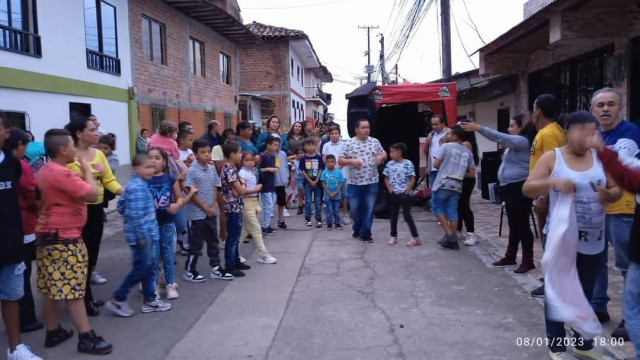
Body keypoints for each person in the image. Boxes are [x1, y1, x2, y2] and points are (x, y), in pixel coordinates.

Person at [522, 110, 621, 359]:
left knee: (585, 294)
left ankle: (582, 344)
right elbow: (528, 188)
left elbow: (616, 188)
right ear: (566, 132)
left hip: (594, 239)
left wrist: (610, 195)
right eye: (580, 131)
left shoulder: (601, 158)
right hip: (561, 238)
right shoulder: (552, 158)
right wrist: (552, 183)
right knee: (557, 293)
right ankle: (556, 346)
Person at [36, 128, 113, 355]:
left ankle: (53, 331)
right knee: (74, 289)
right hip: (65, 239)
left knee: (51, 287)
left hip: (47, 235)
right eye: (71, 146)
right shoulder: (62, 173)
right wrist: (86, 170)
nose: (75, 150)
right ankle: (86, 337)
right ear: (62, 150)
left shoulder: (44, 171)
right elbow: (90, 194)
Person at [589, 87, 640, 339]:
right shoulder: (595, 134)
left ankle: (630, 319)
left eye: (611, 104)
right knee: (596, 260)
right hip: (597, 207)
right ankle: (598, 306)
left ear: (620, 108)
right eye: (600, 105)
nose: (605, 109)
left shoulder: (629, 132)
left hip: (623, 209)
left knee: (626, 265)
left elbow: (614, 164)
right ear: (593, 110)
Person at [462, 115, 538, 273]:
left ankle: (528, 260)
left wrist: (479, 128)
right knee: (514, 224)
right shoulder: (515, 144)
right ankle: (510, 256)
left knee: (522, 224)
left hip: (518, 188)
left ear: (521, 128)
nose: (509, 129)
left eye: (512, 126)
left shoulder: (522, 141)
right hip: (509, 187)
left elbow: (499, 137)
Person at [65, 118, 124, 317]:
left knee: (92, 253)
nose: (97, 133)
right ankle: (83, 297)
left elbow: (108, 179)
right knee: (79, 255)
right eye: (92, 130)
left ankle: (85, 293)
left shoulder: (98, 153)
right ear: (79, 134)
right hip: (76, 212)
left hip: (96, 210)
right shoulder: (68, 155)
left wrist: (123, 191)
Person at [106, 154, 172, 317]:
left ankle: (149, 299)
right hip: (143, 238)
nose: (152, 169)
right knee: (141, 269)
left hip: (148, 235)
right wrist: (142, 236)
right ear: (136, 169)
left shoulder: (140, 184)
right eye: (148, 167)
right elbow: (135, 215)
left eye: (153, 166)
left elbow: (122, 206)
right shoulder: (136, 187)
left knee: (149, 268)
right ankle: (119, 298)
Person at [0, 117, 42, 360]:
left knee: (12, 296)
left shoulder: (13, 165)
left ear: (5, 132)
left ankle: (15, 349)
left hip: (10, 245)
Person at [146, 147, 197, 300]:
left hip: (167, 223)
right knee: (153, 256)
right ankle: (153, 285)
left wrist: (177, 204)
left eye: (157, 158)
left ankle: (169, 283)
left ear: (163, 161)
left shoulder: (170, 179)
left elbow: (178, 197)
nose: (154, 161)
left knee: (167, 255)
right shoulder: (144, 180)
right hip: (150, 226)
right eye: (150, 158)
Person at [528, 94, 566, 298]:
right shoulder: (548, 131)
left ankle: (553, 283)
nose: (532, 112)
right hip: (546, 194)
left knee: (549, 239)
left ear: (539, 110)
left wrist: (542, 197)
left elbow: (554, 166)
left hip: (548, 196)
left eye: (534, 107)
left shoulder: (549, 133)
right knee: (548, 238)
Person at [183, 139, 234, 282]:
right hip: (196, 215)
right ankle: (189, 270)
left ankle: (216, 268)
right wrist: (205, 207)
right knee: (196, 244)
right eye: (203, 152)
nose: (207, 155)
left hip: (210, 212)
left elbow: (214, 186)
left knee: (213, 241)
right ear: (195, 154)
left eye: (208, 152)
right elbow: (189, 190)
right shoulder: (192, 170)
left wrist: (212, 205)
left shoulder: (211, 168)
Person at [339, 119, 387, 243]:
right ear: (356, 129)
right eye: (363, 127)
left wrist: (380, 157)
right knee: (354, 210)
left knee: (369, 208)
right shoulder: (349, 143)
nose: (366, 130)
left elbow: (384, 154)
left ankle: (366, 233)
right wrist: (351, 161)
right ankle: (358, 227)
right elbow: (340, 161)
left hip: (371, 182)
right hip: (354, 183)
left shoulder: (374, 142)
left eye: (368, 127)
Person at [431, 125, 476, 250]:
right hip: (457, 185)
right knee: (453, 211)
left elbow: (436, 164)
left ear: (455, 136)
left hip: (443, 182)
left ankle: (450, 235)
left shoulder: (445, 146)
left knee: (437, 207)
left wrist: (447, 166)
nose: (447, 136)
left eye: (449, 134)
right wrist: (459, 172)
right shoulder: (468, 152)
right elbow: (472, 173)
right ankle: (452, 239)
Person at [238, 152, 277, 264]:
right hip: (246, 203)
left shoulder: (251, 172)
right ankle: (263, 253)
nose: (250, 162)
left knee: (244, 231)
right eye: (247, 160)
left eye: (252, 160)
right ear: (242, 162)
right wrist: (256, 189)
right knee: (256, 228)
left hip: (253, 202)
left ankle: (233, 253)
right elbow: (242, 191)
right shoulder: (242, 173)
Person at [221, 141, 252, 277]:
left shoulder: (232, 168)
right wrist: (244, 183)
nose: (241, 155)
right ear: (232, 154)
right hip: (232, 207)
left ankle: (236, 260)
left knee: (236, 236)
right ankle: (230, 265)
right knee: (233, 237)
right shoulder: (229, 169)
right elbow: (241, 191)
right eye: (239, 152)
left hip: (236, 206)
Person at [383, 142, 419, 247]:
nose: (390, 154)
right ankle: (393, 236)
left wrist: (407, 192)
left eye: (392, 152)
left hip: (404, 193)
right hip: (394, 193)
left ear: (399, 152)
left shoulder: (408, 163)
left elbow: (412, 178)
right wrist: (390, 190)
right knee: (393, 215)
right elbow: (386, 178)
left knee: (407, 216)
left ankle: (415, 237)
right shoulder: (390, 164)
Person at [455, 122, 479, 246]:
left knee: (464, 206)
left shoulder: (465, 144)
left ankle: (471, 233)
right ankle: (459, 229)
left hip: (466, 179)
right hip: (461, 178)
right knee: (459, 205)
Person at [212, 129, 236, 248]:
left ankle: (231, 236)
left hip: (232, 183)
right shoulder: (217, 149)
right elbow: (218, 167)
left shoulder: (235, 150)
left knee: (233, 212)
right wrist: (228, 157)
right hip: (219, 184)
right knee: (223, 211)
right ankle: (222, 237)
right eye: (229, 140)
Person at [322, 125, 350, 225]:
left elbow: (345, 158)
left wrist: (337, 169)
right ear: (329, 135)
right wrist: (331, 168)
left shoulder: (344, 145)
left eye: (336, 133)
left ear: (339, 134)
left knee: (343, 195)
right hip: (329, 175)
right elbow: (324, 158)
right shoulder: (326, 146)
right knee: (330, 194)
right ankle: (331, 216)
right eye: (332, 134)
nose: (334, 135)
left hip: (342, 174)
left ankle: (345, 214)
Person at [300, 137, 325, 227]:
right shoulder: (304, 158)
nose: (310, 147)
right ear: (305, 147)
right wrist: (310, 181)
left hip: (318, 183)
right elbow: (303, 170)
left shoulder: (318, 157)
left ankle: (318, 218)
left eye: (312, 145)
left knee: (318, 201)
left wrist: (317, 180)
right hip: (307, 183)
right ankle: (308, 218)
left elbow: (321, 169)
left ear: (315, 146)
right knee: (308, 201)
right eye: (308, 145)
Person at [260, 136, 280, 235]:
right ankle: (265, 226)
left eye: (277, 145)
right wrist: (268, 169)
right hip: (265, 185)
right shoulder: (262, 156)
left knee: (271, 206)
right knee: (267, 206)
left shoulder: (273, 156)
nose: (276, 147)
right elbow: (258, 170)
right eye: (275, 145)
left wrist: (276, 168)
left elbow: (277, 167)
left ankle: (267, 225)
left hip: (272, 184)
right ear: (268, 145)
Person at [424, 115, 449, 188]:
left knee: (445, 191)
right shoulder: (431, 135)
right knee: (434, 191)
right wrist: (427, 143)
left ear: (443, 123)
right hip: (433, 168)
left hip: (445, 169)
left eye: (436, 124)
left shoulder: (449, 133)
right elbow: (426, 153)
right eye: (432, 124)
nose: (434, 127)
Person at [320, 154, 344, 230]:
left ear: (335, 162)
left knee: (336, 210)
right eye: (328, 162)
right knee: (329, 210)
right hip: (327, 195)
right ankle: (329, 224)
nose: (330, 163)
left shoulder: (339, 172)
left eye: (332, 162)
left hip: (337, 194)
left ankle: (337, 223)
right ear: (325, 163)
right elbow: (323, 183)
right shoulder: (324, 172)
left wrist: (337, 192)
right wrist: (329, 193)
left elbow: (341, 182)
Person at [98, 133, 119, 216]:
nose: (102, 150)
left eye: (105, 148)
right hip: (98, 183)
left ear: (112, 149)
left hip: (107, 185)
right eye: (100, 148)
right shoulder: (97, 155)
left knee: (102, 200)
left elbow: (112, 168)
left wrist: (102, 166)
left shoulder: (113, 158)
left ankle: (102, 213)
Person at [275, 140, 291, 229]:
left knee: (281, 201)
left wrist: (287, 176)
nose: (276, 147)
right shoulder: (268, 155)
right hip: (271, 182)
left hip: (281, 181)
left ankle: (281, 219)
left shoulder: (282, 154)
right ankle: (266, 223)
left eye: (278, 144)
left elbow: (284, 166)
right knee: (270, 203)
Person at [292, 148, 306, 215]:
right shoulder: (295, 161)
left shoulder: (306, 160)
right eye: (299, 153)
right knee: (301, 193)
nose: (301, 155)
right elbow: (286, 159)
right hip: (299, 178)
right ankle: (300, 207)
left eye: (302, 153)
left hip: (306, 178)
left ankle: (307, 207)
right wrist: (293, 156)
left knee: (306, 193)